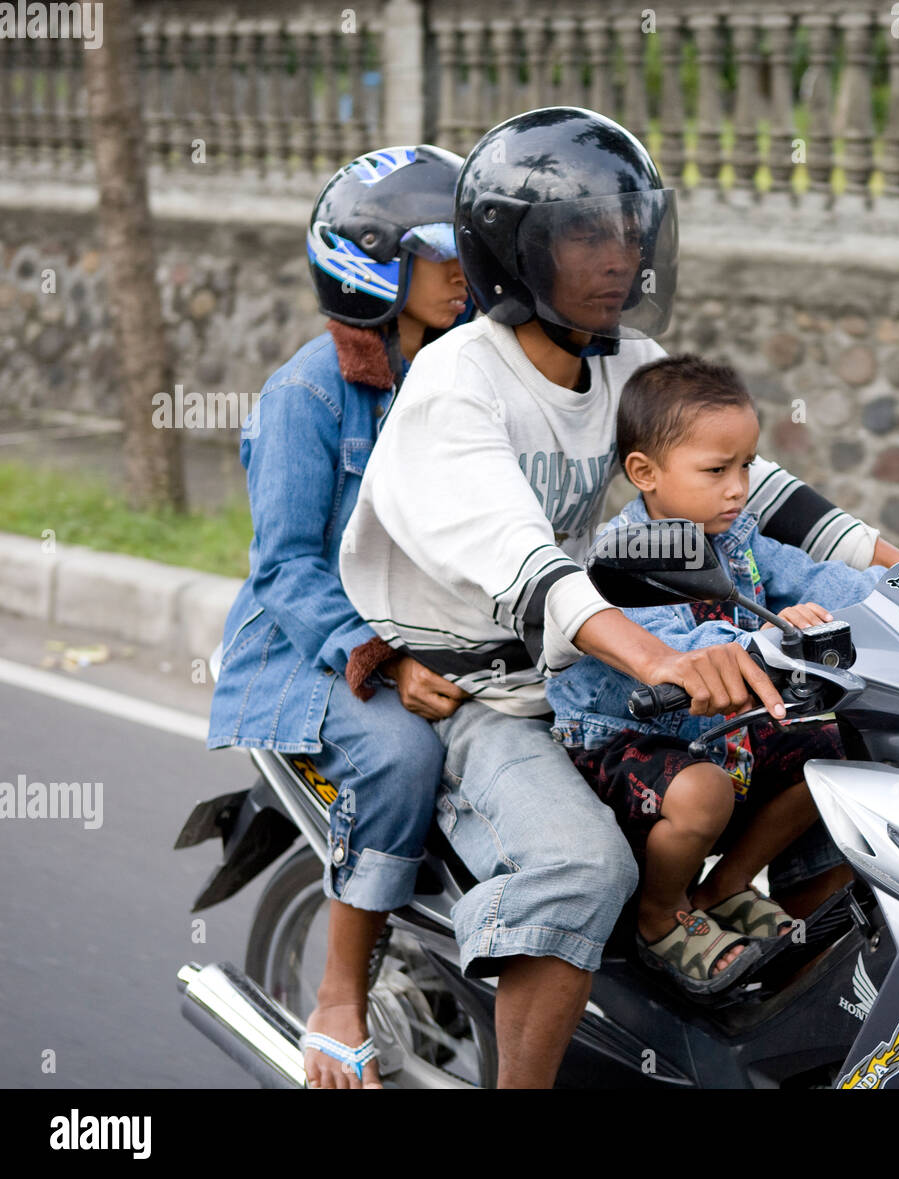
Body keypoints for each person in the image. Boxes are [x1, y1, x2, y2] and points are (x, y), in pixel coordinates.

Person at [339, 107, 899, 1087]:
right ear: (513, 252)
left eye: (627, 229)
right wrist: (668, 659)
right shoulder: (456, 388)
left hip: (594, 654)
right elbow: (530, 569)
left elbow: (762, 495)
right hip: (480, 688)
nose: (618, 255)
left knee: (851, 757)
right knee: (584, 868)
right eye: (584, 233)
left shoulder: (625, 360)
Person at [207, 145, 476, 1090]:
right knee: (404, 754)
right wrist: (385, 660)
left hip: (437, 628)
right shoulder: (308, 394)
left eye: (468, 249)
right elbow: (283, 567)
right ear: (374, 265)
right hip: (309, 649)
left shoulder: (462, 374)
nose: (461, 272)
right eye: (437, 253)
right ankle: (337, 997)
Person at [545, 354, 897, 995]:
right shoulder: (623, 558)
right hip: (623, 737)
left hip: (720, 730)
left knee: (830, 751)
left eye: (745, 466)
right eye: (716, 470)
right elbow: (670, 649)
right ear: (645, 473)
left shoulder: (736, 537)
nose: (738, 487)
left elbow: (817, 576)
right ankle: (660, 918)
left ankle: (725, 887)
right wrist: (762, 638)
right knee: (702, 792)